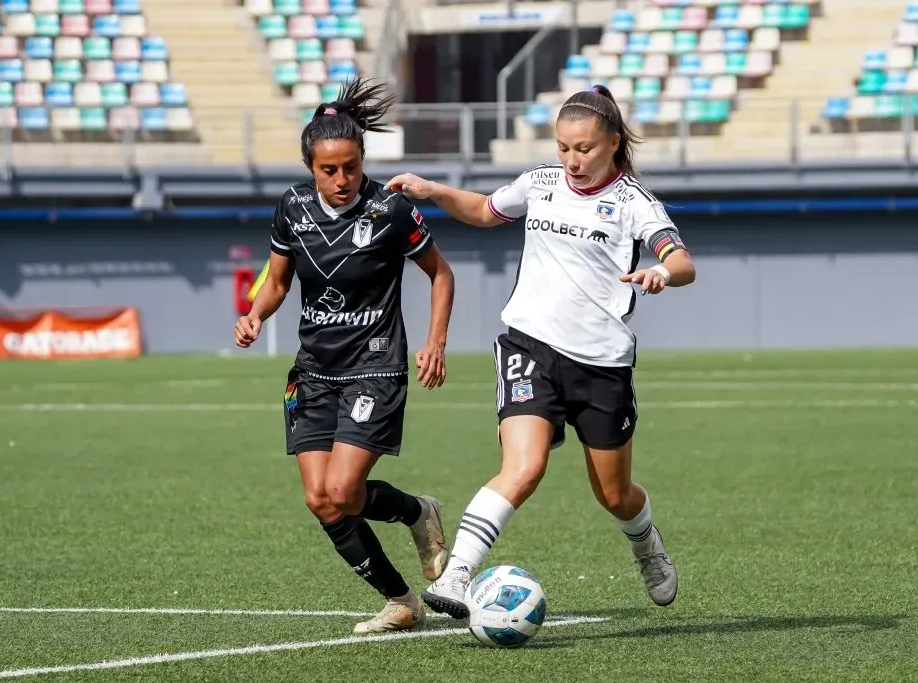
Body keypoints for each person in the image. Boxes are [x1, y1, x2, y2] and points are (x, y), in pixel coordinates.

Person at [386, 85, 696, 619]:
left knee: (615, 494)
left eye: (585, 149)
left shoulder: (634, 204)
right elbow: (485, 210)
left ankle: (646, 544)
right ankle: (458, 573)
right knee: (523, 468)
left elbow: (683, 260)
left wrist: (661, 271)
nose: (573, 160)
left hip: (602, 366)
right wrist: (434, 190)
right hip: (529, 346)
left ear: (614, 144)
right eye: (564, 147)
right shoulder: (540, 183)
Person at [235, 77, 456, 635]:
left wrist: (435, 341)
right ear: (311, 166)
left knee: (342, 490)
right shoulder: (292, 208)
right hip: (313, 372)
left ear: (362, 160)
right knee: (323, 500)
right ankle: (402, 599)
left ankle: (415, 513)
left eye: (351, 167)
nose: (340, 180)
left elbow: (441, 275)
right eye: (328, 170)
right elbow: (277, 281)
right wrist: (256, 313)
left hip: (375, 367)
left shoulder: (391, 210)